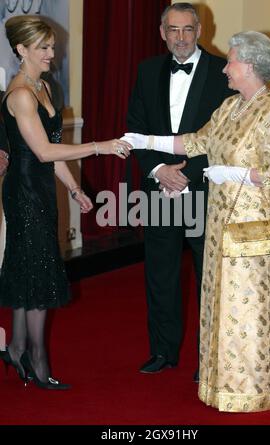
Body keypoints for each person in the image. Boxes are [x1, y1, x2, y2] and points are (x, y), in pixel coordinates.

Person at [123, 31, 270, 412]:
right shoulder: (231, 107)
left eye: (230, 61)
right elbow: (194, 142)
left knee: (248, 310)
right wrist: (145, 140)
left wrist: (230, 174)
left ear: (248, 66)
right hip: (220, 226)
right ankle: (219, 385)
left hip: (252, 229)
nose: (225, 68)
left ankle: (249, 392)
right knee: (220, 304)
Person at [0, 15, 130, 390]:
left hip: (40, 187)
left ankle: (17, 350)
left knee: (27, 266)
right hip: (24, 189)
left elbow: (53, 155)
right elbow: (41, 152)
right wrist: (100, 147)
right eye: (43, 47)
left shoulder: (43, 86)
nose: (51, 54)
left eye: (52, 46)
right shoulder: (21, 93)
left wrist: (74, 188)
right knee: (37, 267)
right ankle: (37, 360)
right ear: (21, 49)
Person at [127, 2, 233, 379]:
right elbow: (135, 129)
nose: (181, 37)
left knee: (210, 275)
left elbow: (227, 138)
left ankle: (210, 357)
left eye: (188, 29)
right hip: (159, 189)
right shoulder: (147, 70)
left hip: (204, 188)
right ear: (162, 33)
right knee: (160, 273)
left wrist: (187, 173)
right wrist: (158, 169)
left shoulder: (224, 72)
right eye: (174, 30)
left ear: (200, 30)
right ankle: (162, 351)